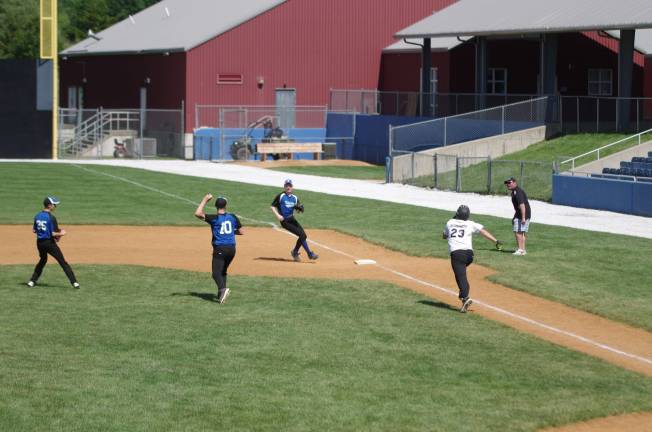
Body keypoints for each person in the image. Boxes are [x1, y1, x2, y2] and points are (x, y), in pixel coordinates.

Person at [443, 205, 502, 313]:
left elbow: (444, 236)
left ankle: (465, 298)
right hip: (469, 255)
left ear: (457, 214)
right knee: (461, 274)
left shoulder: (449, 222)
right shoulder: (470, 224)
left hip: (457, 255)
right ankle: (463, 295)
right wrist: (496, 241)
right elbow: (483, 231)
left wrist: (454, 220)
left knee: (461, 277)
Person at [195, 194, 243, 304]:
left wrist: (205, 200)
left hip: (220, 248)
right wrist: (231, 232)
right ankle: (221, 294)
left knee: (216, 273)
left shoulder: (214, 218)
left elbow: (197, 213)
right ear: (225, 206)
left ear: (216, 206)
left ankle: (223, 289)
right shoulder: (232, 217)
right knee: (223, 271)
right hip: (232, 249)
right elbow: (241, 231)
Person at [27, 196, 80, 289]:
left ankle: (32, 281)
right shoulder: (51, 218)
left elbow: (34, 230)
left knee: (43, 260)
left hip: (39, 243)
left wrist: (49, 233)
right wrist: (61, 233)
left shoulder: (37, 215)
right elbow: (53, 233)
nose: (55, 206)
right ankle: (74, 282)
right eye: (54, 205)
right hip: (49, 243)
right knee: (63, 262)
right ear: (49, 205)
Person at [271, 179, 318, 261]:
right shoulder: (281, 196)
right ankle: (309, 254)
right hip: (285, 221)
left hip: (292, 219)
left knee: (304, 235)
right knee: (302, 235)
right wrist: (278, 215)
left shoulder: (295, 198)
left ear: (292, 187)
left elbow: (298, 209)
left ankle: (295, 252)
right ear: (284, 187)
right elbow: (272, 206)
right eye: (286, 186)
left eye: (290, 186)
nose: (288, 187)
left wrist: (300, 209)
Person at [504, 177, 531, 256]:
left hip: (523, 214)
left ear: (515, 182)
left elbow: (522, 205)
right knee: (522, 232)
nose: (508, 184)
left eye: (510, 182)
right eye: (507, 183)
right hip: (523, 214)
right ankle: (523, 250)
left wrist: (523, 217)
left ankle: (520, 250)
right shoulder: (515, 191)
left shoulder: (517, 192)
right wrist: (515, 216)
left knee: (518, 231)